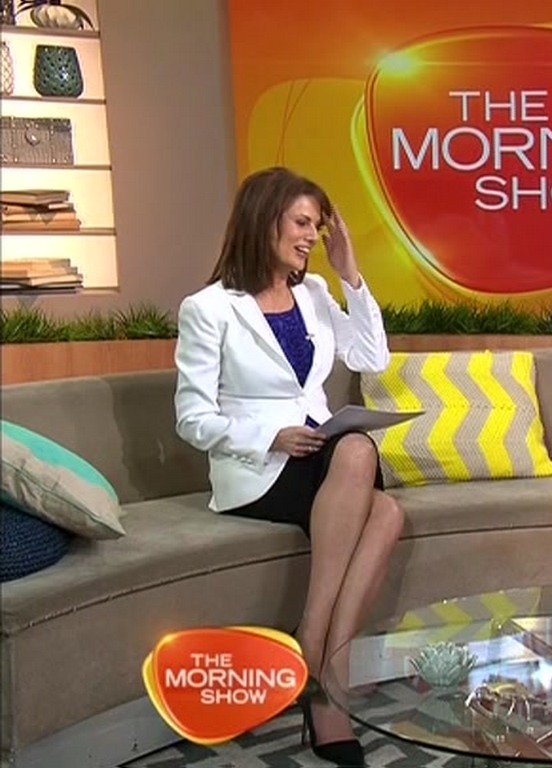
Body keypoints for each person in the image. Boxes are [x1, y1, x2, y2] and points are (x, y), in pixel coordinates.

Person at [174, 167, 402, 768]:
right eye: (302, 223)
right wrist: (269, 436)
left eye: (317, 226)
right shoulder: (209, 308)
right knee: (361, 460)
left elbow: (372, 357)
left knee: (386, 509)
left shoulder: (316, 293)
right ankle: (323, 665)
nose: (310, 237)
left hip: (324, 462)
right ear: (264, 219)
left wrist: (350, 274)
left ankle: (320, 661)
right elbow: (192, 418)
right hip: (258, 468)